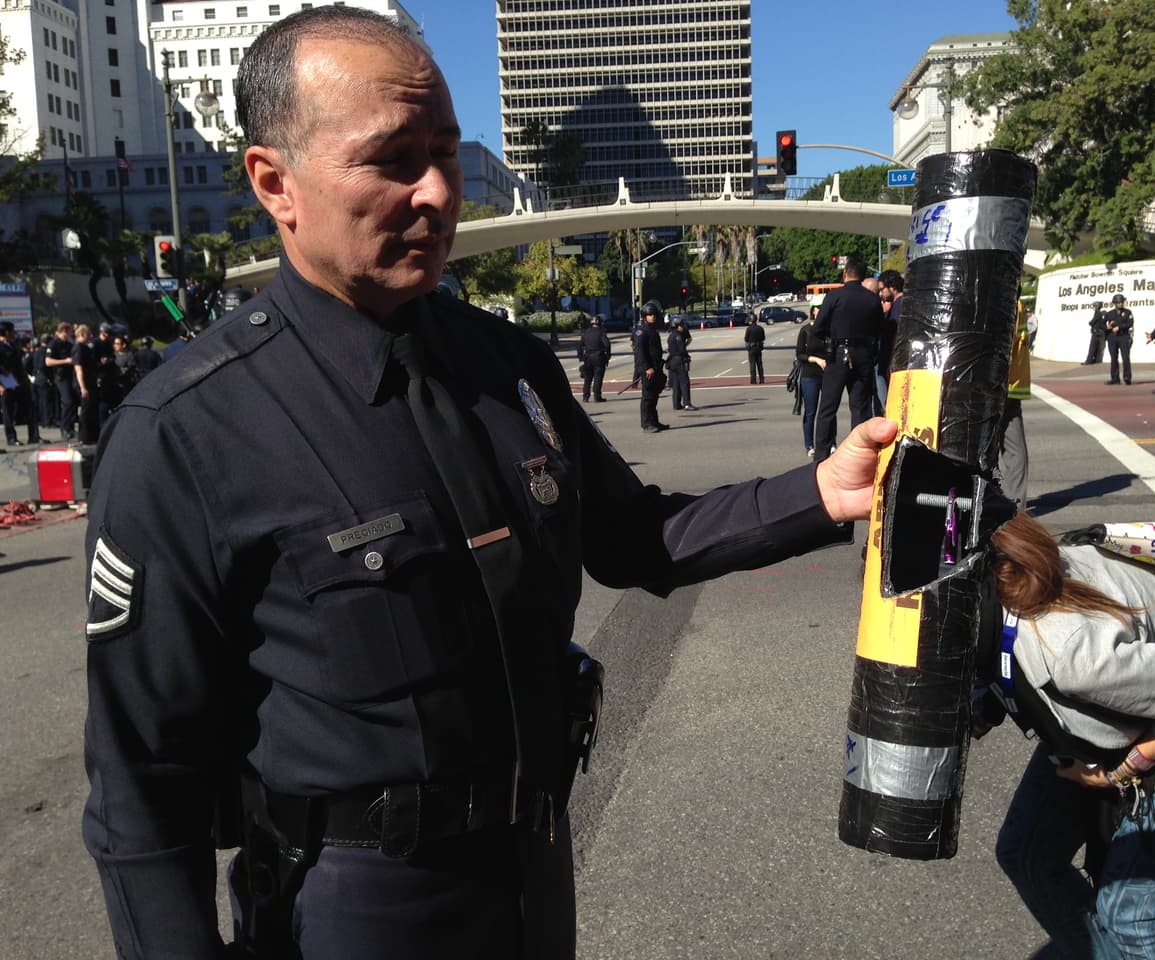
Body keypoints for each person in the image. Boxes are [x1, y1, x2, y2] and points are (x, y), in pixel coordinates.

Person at [80, 10, 899, 958]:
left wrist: (823, 492)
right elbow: (143, 783)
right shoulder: (187, 431)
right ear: (276, 183)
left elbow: (635, 536)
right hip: (353, 904)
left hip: (532, 867)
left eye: (444, 153)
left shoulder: (505, 365)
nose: (436, 192)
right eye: (391, 159)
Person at [982, 512, 1155, 959]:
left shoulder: (1071, 654)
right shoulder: (1010, 570)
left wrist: (1118, 774)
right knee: (1026, 854)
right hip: (1133, 707)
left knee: (1131, 918)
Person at [810, 256, 883, 462]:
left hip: (838, 353)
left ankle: (822, 456)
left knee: (827, 408)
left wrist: (831, 337)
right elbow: (880, 329)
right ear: (862, 276)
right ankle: (860, 455)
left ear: (845, 274)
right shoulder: (872, 299)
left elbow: (817, 329)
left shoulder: (835, 297)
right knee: (860, 408)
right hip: (864, 355)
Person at [995, 300, 1031, 512]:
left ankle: (1005, 507)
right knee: (1015, 453)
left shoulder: (1007, 301)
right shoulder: (1014, 303)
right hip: (1008, 387)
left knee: (1005, 453)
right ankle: (1012, 509)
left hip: (1001, 387)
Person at [0, 320, 37, 446]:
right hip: (7, 380)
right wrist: (1, 384)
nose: (14, 333)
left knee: (29, 408)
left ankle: (33, 435)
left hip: (20, 380)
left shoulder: (14, 345)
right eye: (12, 331)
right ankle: (11, 438)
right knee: (8, 410)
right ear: (7, 332)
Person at [795, 302, 830, 458]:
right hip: (810, 375)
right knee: (811, 412)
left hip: (827, 373)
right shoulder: (805, 331)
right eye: (818, 309)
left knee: (829, 410)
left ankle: (831, 442)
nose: (820, 312)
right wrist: (815, 359)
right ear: (812, 312)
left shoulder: (828, 330)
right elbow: (800, 354)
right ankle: (809, 444)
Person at [633, 301, 668, 432]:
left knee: (654, 397)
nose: (653, 316)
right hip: (648, 369)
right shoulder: (641, 332)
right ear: (644, 316)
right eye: (650, 314)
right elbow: (640, 352)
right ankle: (646, 424)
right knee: (647, 397)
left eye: (654, 314)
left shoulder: (651, 330)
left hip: (656, 367)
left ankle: (654, 421)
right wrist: (647, 367)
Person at [876, 270, 903, 415]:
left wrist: (891, 363)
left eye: (882, 289)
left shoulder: (900, 306)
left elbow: (896, 337)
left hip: (892, 363)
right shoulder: (895, 306)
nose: (881, 294)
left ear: (892, 286)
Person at [44, 321, 77, 440]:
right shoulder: (54, 344)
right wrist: (65, 361)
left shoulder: (69, 344)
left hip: (70, 376)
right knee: (68, 401)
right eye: (69, 332)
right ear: (64, 331)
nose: (70, 334)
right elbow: (48, 362)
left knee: (72, 402)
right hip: (61, 377)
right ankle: (64, 427)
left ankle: (70, 427)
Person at [71, 323, 99, 443]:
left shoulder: (86, 348)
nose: (91, 336)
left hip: (91, 382)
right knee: (86, 411)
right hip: (84, 384)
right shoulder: (78, 348)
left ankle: (92, 435)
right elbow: (79, 369)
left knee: (92, 410)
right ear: (82, 334)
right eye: (88, 334)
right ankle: (84, 436)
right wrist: (83, 387)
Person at [577, 317, 610, 403]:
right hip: (598, 357)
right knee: (598, 378)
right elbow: (607, 344)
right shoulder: (601, 332)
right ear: (599, 323)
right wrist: (608, 355)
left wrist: (580, 356)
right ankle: (597, 396)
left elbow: (580, 345)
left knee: (587, 378)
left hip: (588, 357)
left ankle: (585, 396)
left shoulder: (585, 333)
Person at [667, 317, 696, 411]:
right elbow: (681, 350)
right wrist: (686, 357)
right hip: (679, 360)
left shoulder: (671, 335)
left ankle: (676, 403)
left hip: (672, 361)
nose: (682, 327)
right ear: (676, 326)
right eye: (681, 325)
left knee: (676, 383)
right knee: (684, 382)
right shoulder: (678, 336)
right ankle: (687, 404)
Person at [1104, 294, 1133, 384]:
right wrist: (1107, 327)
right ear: (1114, 303)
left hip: (1123, 336)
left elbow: (1130, 323)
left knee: (1125, 358)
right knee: (1113, 358)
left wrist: (1119, 327)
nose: (1120, 304)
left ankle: (1127, 377)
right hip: (1112, 338)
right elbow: (1101, 325)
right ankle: (1115, 379)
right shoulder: (1109, 313)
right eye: (1118, 302)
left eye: (1121, 302)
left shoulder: (1128, 312)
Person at [744, 314, 766, 384]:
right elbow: (763, 338)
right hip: (759, 347)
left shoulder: (749, 329)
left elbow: (746, 338)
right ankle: (761, 379)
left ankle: (753, 380)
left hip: (752, 348)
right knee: (759, 364)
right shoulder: (760, 328)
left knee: (752, 364)